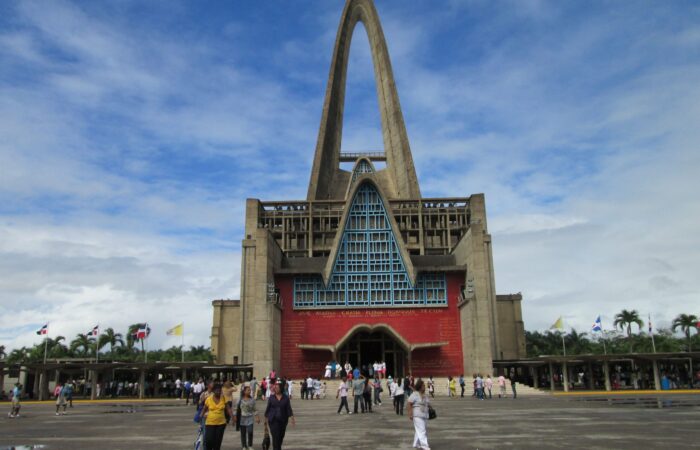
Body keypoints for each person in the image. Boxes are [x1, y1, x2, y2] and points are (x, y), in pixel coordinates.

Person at [265, 379, 295, 450]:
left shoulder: (286, 398)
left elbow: (288, 409)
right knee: (276, 437)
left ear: (281, 388)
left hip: (283, 420)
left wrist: (292, 418)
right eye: (275, 388)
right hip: (273, 420)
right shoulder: (271, 398)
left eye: (277, 388)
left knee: (281, 437)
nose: (276, 389)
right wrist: (265, 423)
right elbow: (267, 410)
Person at [201, 383, 231, 450]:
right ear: (213, 391)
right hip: (210, 423)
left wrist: (233, 417)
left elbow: (228, 408)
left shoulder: (223, 398)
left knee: (217, 442)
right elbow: (204, 408)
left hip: (221, 423)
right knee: (208, 440)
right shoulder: (208, 399)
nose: (218, 392)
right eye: (217, 390)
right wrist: (201, 416)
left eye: (219, 390)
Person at [407, 379, 431, 450]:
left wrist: (431, 409)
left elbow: (428, 404)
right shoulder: (415, 394)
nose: (424, 386)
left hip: (425, 415)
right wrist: (410, 414)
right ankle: (425, 446)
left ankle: (416, 444)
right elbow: (409, 403)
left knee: (420, 430)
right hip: (417, 415)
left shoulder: (425, 395)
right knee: (422, 430)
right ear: (420, 386)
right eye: (423, 385)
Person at [235, 384, 260, 450]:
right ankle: (244, 446)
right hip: (242, 418)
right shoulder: (240, 399)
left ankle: (250, 445)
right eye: (248, 390)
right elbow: (236, 408)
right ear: (244, 391)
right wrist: (235, 417)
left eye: (250, 390)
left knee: (250, 431)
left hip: (250, 418)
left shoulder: (252, 400)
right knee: (243, 433)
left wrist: (257, 417)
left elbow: (254, 409)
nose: (250, 391)